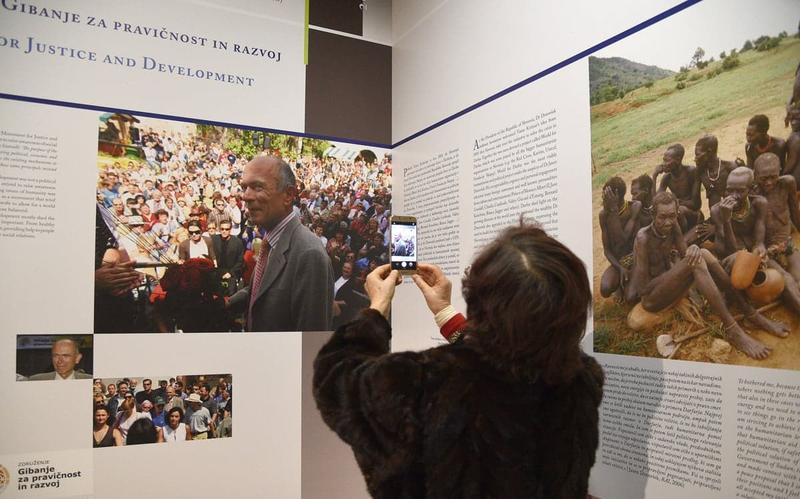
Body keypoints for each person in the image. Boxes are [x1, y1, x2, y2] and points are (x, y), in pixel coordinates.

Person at [314, 223, 604, 498]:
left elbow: (336, 379)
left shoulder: (424, 384)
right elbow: (507, 354)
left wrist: (376, 308)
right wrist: (444, 311)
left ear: (477, 296)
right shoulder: (582, 382)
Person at [625, 192, 781, 359]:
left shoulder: (673, 225)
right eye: (662, 217)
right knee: (697, 259)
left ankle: (750, 312)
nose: (668, 222)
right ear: (653, 215)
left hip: (671, 288)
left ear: (676, 213)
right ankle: (732, 329)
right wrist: (681, 266)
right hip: (653, 299)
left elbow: (686, 255)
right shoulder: (643, 238)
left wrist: (691, 250)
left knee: (704, 252)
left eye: (672, 216)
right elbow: (643, 289)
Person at [230, 155, 334, 331]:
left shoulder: (309, 255)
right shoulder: (271, 238)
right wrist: (223, 303)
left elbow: (310, 343)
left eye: (257, 187)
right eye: (244, 187)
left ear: (288, 195)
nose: (246, 196)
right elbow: (262, 291)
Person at [598, 176, 641, 298]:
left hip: (636, 257)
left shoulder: (634, 207)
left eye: (606, 197)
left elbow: (623, 239)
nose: (603, 200)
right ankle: (621, 282)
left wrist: (613, 211)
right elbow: (607, 250)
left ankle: (628, 283)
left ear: (616, 196)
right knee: (605, 289)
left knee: (630, 296)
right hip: (618, 261)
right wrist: (619, 268)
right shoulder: (603, 215)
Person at [653, 144, 702, 231]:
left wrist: (675, 203)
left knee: (679, 210)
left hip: (694, 215)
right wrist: (654, 176)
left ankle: (683, 237)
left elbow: (696, 204)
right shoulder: (667, 178)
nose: (664, 164)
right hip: (678, 213)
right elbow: (656, 201)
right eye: (663, 160)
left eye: (667, 161)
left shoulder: (691, 172)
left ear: (678, 160)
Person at [27, 338, 92, 380]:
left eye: (65, 356)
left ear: (77, 358)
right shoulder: (35, 380)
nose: (60, 361)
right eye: (56, 355)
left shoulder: (90, 380)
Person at [211, 220, 244, 295]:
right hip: (217, 271)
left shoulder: (237, 242)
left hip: (231, 271)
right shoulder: (214, 239)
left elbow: (240, 261)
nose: (224, 231)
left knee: (231, 293)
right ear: (219, 229)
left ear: (230, 229)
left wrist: (231, 273)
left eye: (226, 229)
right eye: (222, 229)